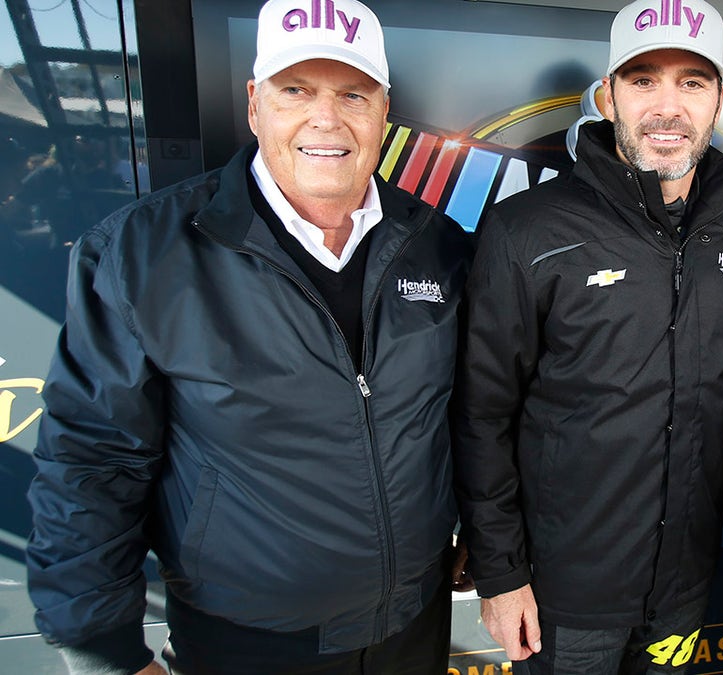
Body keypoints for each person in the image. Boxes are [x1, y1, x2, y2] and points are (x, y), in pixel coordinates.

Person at [25, 1, 472, 673]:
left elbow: (468, 412)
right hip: (246, 640)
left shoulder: (437, 243)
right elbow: (92, 459)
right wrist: (103, 650)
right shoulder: (140, 254)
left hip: (414, 622)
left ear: (384, 111)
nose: (326, 118)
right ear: (255, 103)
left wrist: (484, 533)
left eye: (353, 93)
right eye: (296, 91)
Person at [452, 0, 723, 672]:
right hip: (564, 595)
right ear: (608, 95)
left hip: (683, 591)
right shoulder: (527, 231)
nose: (667, 106)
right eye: (643, 79)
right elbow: (480, 415)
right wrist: (502, 573)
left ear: (718, 100)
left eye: (692, 82)